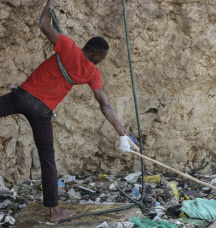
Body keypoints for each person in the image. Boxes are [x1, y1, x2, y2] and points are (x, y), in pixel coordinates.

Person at [0, 0, 131, 223]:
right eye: (102, 59)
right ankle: (54, 212)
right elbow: (105, 105)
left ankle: (54, 212)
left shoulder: (68, 46)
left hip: (22, 97)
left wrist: (49, 3)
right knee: (48, 160)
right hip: (42, 111)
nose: (101, 63)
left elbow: (43, 24)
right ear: (96, 56)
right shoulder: (92, 73)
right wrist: (122, 135)